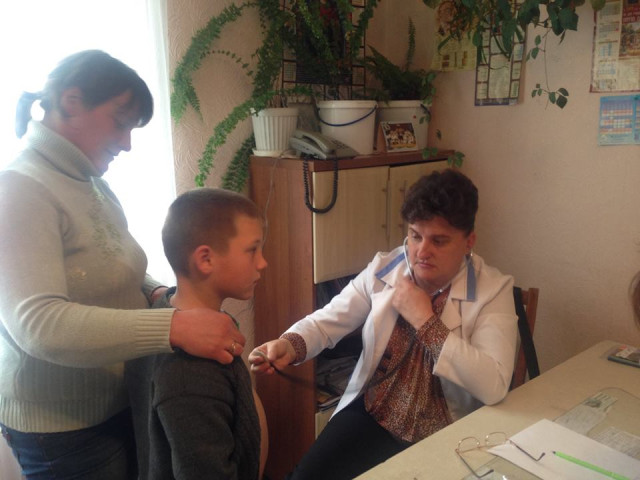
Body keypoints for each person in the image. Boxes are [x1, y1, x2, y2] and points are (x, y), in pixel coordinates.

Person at [0, 50, 245, 479]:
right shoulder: (19, 190)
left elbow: (115, 264)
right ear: (72, 101)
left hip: (118, 403)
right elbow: (38, 324)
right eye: (120, 122)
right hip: (65, 432)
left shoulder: (92, 183)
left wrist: (154, 291)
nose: (127, 142)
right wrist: (173, 327)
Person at [250, 168, 519, 480]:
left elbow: (493, 385)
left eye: (439, 241)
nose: (422, 252)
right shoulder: (385, 267)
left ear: (469, 241)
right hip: (375, 414)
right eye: (415, 236)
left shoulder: (493, 290)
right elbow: (328, 320)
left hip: (444, 431)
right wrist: (289, 344)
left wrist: (425, 320)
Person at [125, 188, 268, 480]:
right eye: (252, 250)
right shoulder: (189, 374)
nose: (262, 262)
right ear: (205, 260)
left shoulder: (170, 311)